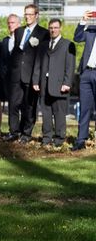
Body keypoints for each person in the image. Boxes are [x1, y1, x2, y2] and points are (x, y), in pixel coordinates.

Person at [5, 4, 50, 143]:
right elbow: (16, 53)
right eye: (26, 14)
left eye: (30, 14)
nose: (27, 17)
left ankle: (26, 133)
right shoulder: (18, 31)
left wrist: (38, 77)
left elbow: (43, 56)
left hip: (31, 75)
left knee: (29, 106)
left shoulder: (43, 33)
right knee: (13, 104)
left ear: (36, 15)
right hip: (16, 74)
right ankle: (13, 132)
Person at [33, 19, 75, 147]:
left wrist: (67, 83)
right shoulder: (43, 45)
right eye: (51, 28)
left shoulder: (68, 44)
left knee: (59, 113)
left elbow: (70, 66)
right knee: (46, 113)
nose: (53, 30)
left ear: (60, 28)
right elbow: (38, 64)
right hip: (44, 84)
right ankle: (47, 138)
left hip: (60, 85)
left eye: (55, 27)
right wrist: (36, 80)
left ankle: (59, 139)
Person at [71, 11, 96, 151]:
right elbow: (77, 37)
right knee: (85, 108)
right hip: (86, 73)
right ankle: (81, 140)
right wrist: (83, 21)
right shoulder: (91, 30)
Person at [0, 14, 21, 109]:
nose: (10, 25)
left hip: (21, 78)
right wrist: (3, 73)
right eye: (8, 23)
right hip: (8, 79)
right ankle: (13, 124)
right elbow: (2, 59)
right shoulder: (5, 41)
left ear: (18, 24)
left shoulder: (23, 40)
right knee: (11, 105)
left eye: (12, 23)